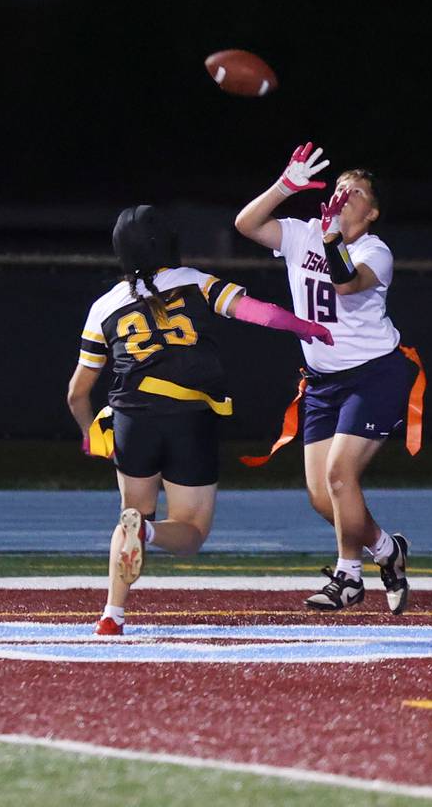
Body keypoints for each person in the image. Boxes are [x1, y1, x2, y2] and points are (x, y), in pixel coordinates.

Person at [68, 205, 334, 635]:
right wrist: (306, 328)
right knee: (190, 533)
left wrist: (88, 436)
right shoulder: (195, 281)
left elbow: (76, 392)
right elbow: (259, 311)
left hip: (129, 417)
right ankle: (148, 535)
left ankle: (112, 614)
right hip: (188, 416)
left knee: (130, 512)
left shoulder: (104, 306)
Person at [234, 143, 421, 612]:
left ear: (372, 211)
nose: (343, 194)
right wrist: (286, 186)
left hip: (374, 375)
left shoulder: (375, 251)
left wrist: (333, 237)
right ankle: (386, 551)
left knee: (341, 476)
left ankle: (348, 578)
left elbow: (344, 282)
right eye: (339, 187)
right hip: (321, 381)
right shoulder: (302, 235)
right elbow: (246, 224)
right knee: (324, 498)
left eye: (354, 192)